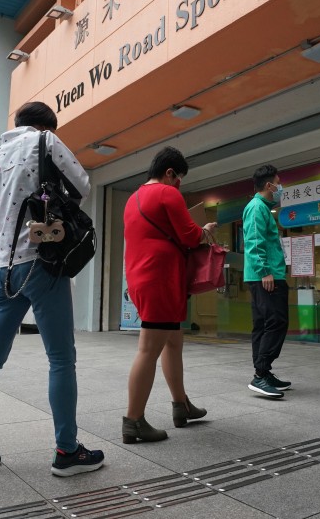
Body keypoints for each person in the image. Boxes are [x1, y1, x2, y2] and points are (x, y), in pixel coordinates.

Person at [0, 102, 104, 476]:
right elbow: (82, 183)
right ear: (47, 124)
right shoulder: (47, 141)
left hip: (4, 268)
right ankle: (67, 451)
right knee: (61, 358)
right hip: (43, 261)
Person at [122, 147, 217, 443]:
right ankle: (133, 421)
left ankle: (181, 405)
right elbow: (189, 235)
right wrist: (205, 229)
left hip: (141, 276)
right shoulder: (167, 193)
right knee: (149, 348)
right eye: (179, 179)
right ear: (169, 173)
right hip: (160, 278)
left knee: (173, 341)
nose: (179, 186)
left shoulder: (132, 198)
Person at [243, 164, 291, 398]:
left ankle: (264, 372)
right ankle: (261, 374)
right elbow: (253, 240)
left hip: (265, 274)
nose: (280, 187)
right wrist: (265, 271)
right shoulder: (256, 208)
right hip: (267, 276)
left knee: (264, 323)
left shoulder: (261, 207)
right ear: (269, 185)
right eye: (278, 182)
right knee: (276, 321)